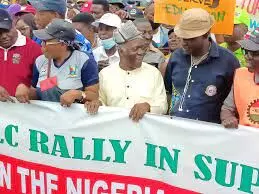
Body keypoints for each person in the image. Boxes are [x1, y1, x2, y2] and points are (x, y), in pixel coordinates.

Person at [164, 8, 240, 124]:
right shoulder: (176, 57)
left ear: (206, 34)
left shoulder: (228, 61)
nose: (184, 42)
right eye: (183, 37)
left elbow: (234, 102)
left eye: (191, 38)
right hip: (175, 130)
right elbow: (168, 91)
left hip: (209, 135)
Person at [86, 21, 168, 121]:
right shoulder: (106, 74)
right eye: (135, 49)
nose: (141, 52)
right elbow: (102, 101)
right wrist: (97, 103)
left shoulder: (154, 73)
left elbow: (162, 105)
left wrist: (148, 107)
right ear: (121, 51)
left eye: (143, 48)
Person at [16, 19, 99, 106]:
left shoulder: (84, 60)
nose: (42, 45)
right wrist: (25, 90)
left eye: (46, 41)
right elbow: (37, 94)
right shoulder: (40, 61)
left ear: (63, 44)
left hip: (74, 118)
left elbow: (94, 96)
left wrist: (78, 94)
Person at [0, 9, 41, 101]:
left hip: (25, 110)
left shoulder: (34, 49)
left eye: (6, 30)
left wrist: (30, 90)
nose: (3, 36)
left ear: (13, 26)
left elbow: (50, 82)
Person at [221, 28, 259, 128]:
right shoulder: (240, 74)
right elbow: (227, 108)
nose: (247, 56)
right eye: (245, 51)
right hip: (244, 141)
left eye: (255, 53)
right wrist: (227, 118)